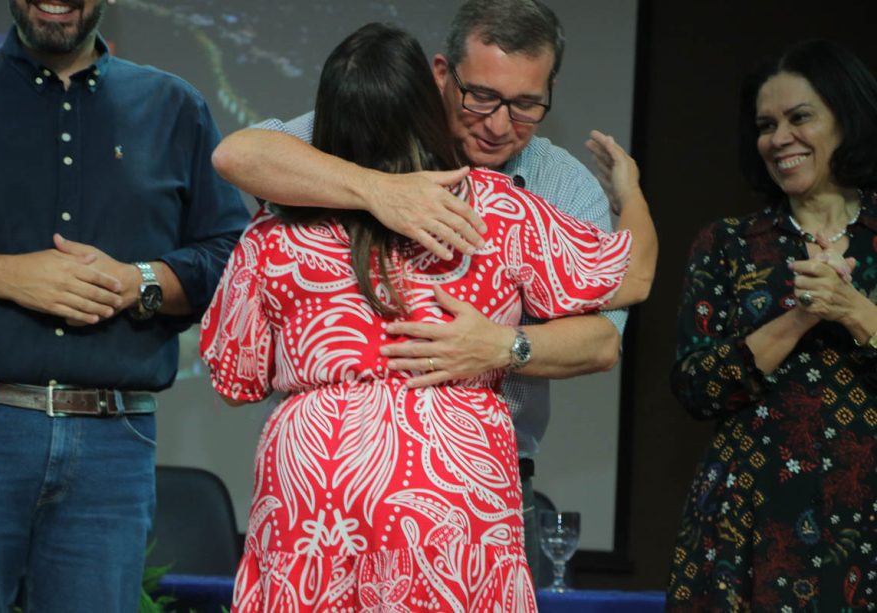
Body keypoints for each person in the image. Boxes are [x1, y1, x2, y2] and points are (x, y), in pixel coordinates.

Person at [201, 22, 655, 613]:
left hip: (313, 488)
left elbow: (233, 381)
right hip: (451, 485)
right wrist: (631, 193)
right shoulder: (498, 209)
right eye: (483, 97)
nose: (498, 122)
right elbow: (633, 275)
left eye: (523, 104)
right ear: (434, 96)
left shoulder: (274, 230)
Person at [0, 1, 249, 611]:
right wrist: (9, 276)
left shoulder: (174, 107)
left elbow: (231, 256)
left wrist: (137, 281)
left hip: (113, 447)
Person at [667, 39, 877, 611]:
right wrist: (801, 316)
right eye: (766, 125)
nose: (779, 138)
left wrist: (853, 309)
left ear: (846, 119)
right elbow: (696, 387)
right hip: (750, 523)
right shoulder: (729, 243)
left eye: (799, 117)